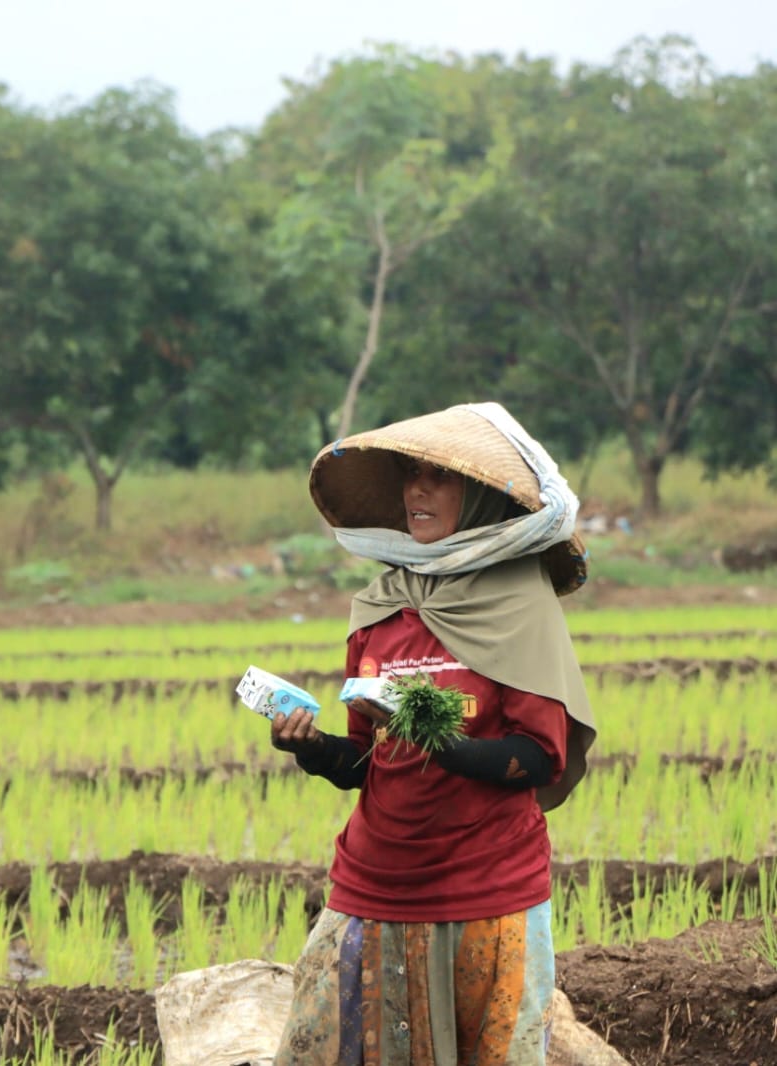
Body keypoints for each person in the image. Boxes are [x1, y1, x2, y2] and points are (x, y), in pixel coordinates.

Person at [272, 401, 596, 1065]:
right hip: (371, 885)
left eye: (438, 477)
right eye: (410, 475)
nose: (417, 490)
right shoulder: (380, 607)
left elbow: (539, 758)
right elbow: (367, 761)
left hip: (487, 890)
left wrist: (438, 742)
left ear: (477, 496)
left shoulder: (517, 605)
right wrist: (309, 748)